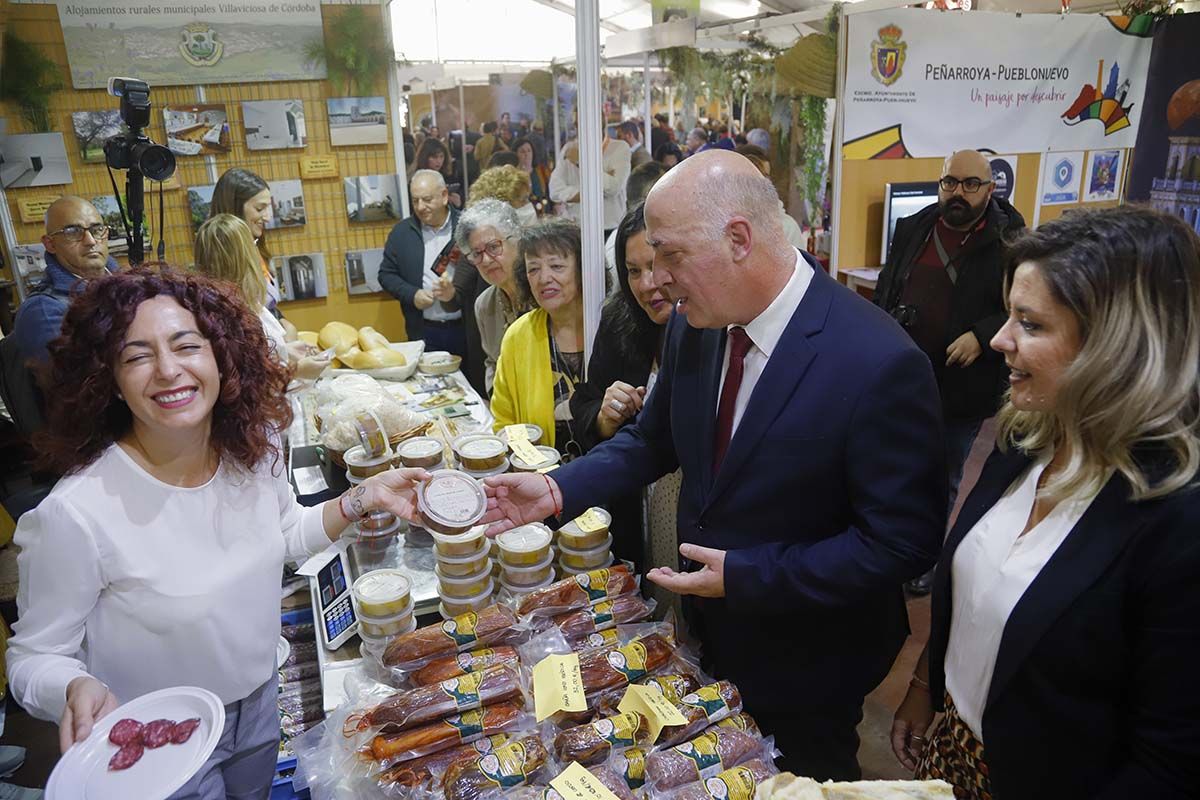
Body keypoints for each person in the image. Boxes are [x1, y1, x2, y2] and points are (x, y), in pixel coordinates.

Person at [481, 151, 945, 780]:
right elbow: (653, 439)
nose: (658, 281)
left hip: (810, 656)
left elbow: (901, 543)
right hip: (710, 632)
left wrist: (751, 575)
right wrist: (555, 490)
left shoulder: (877, 361)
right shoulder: (696, 326)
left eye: (670, 256)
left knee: (798, 781)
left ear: (738, 239)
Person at [6, 268, 428, 798]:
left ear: (220, 355)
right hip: (157, 737)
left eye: (186, 345)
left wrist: (362, 497)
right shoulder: (77, 512)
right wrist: (71, 685)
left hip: (259, 702)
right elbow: (33, 656)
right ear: (108, 379)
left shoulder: (252, 452)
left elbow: (283, 533)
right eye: (137, 356)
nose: (167, 370)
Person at [890, 207, 1200, 800]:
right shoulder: (1026, 434)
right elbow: (978, 591)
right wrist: (928, 687)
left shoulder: (1176, 521)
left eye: (1029, 324)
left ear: (1117, 347)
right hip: (956, 746)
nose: (1000, 339)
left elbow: (1169, 764)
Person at [876, 150, 1025, 593]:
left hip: (962, 384)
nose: (958, 192)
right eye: (950, 183)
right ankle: (889, 541)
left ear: (990, 188)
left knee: (942, 475)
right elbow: (888, 284)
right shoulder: (915, 226)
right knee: (891, 465)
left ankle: (926, 558)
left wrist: (981, 336)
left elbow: (1018, 305)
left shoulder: (1011, 238)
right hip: (902, 376)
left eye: (970, 184)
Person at [570, 203, 673, 567]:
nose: (647, 284)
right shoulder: (619, 319)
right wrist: (604, 417)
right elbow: (585, 398)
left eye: (656, 265)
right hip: (633, 502)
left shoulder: (711, 325)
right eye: (633, 271)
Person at [1, 197, 119, 433]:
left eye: (97, 229)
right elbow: (85, 390)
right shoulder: (42, 311)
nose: (90, 240)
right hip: (93, 443)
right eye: (73, 231)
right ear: (50, 243)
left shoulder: (127, 286)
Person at [490, 219, 588, 458]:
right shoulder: (518, 335)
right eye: (533, 269)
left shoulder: (608, 325)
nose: (544, 278)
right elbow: (505, 421)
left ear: (582, 268)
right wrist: (531, 465)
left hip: (611, 480)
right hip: (541, 477)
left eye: (556, 266)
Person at [193, 214, 329, 379]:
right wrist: (295, 372)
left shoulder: (247, 303)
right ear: (244, 258)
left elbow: (262, 358)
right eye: (253, 244)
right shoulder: (225, 318)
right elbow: (245, 384)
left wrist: (288, 351)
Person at [378, 170, 465, 355]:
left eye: (426, 199)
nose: (420, 207)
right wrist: (412, 294)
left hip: (466, 328)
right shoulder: (402, 233)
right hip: (423, 331)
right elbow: (386, 275)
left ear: (444, 196)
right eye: (415, 200)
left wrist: (456, 294)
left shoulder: (467, 227)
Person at [455, 200, 529, 394]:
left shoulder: (543, 293)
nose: (486, 260)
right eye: (476, 253)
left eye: (494, 247)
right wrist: (495, 400)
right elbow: (492, 362)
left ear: (517, 240)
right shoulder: (484, 305)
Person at [208, 168, 278, 308]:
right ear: (235, 208)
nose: (267, 217)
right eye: (259, 209)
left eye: (267, 208)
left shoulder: (253, 244)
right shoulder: (223, 259)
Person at [736, 144, 806, 251]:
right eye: (758, 175)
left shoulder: (786, 227)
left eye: (767, 176)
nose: (765, 182)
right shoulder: (719, 223)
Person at [410, 137, 462, 207]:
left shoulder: (446, 176)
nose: (439, 161)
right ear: (425, 157)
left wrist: (457, 202)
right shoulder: (417, 179)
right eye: (434, 157)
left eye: (441, 157)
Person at [513, 136, 553, 216]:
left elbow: (552, 191)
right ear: (516, 154)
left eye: (529, 151)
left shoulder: (542, 171)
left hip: (545, 213)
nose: (526, 154)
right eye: (522, 151)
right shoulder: (513, 175)